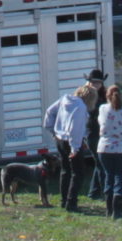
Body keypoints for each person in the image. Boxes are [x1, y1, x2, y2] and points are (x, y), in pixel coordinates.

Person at [41, 84, 91, 212]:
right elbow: (75, 128)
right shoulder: (81, 107)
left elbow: (49, 112)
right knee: (78, 173)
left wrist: (52, 130)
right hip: (71, 141)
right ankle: (71, 202)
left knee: (65, 170)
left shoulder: (64, 99)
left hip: (60, 139)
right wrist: (75, 148)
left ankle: (63, 200)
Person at [64, 67, 107, 211]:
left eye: (99, 83)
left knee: (99, 163)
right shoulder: (85, 95)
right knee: (100, 162)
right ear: (88, 82)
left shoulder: (104, 96)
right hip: (91, 132)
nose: (96, 85)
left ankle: (94, 191)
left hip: (101, 132)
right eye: (94, 82)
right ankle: (100, 192)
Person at [95, 83, 122, 218]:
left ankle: (108, 209)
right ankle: (118, 211)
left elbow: (100, 122)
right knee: (121, 177)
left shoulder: (103, 109)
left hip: (105, 148)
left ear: (107, 96)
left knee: (109, 176)